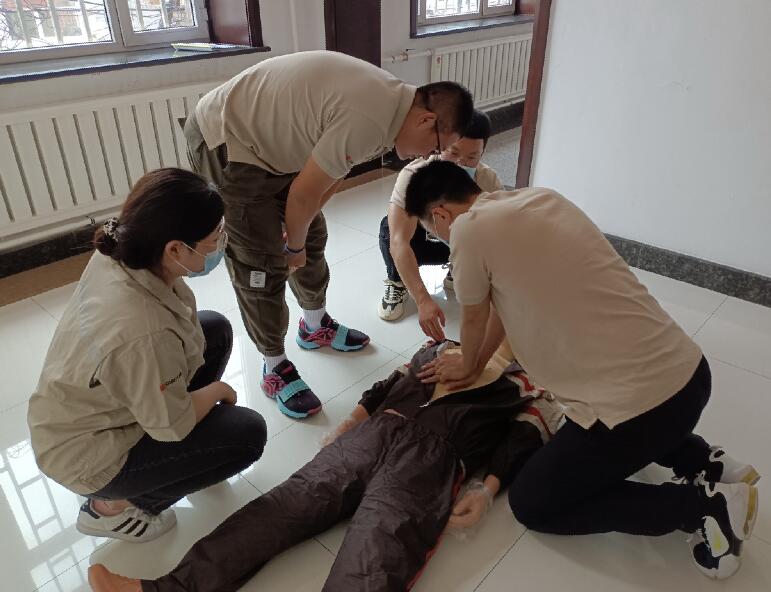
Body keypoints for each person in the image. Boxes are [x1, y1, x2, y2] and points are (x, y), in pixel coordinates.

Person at [404, 160, 761, 580]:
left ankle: (704, 508)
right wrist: (476, 362)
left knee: (533, 502)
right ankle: (706, 463)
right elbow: (499, 305)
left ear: (441, 216)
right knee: (610, 413)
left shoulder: (467, 231)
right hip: (689, 376)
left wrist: (465, 364)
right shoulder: (540, 198)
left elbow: (475, 317)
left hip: (646, 411)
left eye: (433, 231)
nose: (441, 238)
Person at [87, 340, 563, 592]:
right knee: (282, 507)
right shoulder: (438, 347)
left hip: (432, 461)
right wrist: (349, 425)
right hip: (374, 434)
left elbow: (522, 440)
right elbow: (385, 388)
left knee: (381, 545)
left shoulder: (530, 387)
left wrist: (485, 489)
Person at [183, 50, 474, 419]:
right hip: (229, 139)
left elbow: (329, 179)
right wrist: (292, 247)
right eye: (435, 147)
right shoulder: (370, 118)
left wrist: (300, 237)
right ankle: (273, 366)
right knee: (261, 261)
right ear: (426, 120)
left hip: (272, 142)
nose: (429, 155)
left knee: (312, 232)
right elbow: (302, 196)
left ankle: (314, 325)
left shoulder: (391, 114)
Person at [27, 168, 267, 543]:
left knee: (215, 331)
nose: (220, 245)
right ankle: (114, 508)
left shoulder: (121, 250)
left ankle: (187, 458)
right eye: (214, 239)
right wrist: (218, 390)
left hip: (83, 408)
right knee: (248, 435)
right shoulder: (143, 331)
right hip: (90, 455)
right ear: (175, 249)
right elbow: (171, 423)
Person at [378, 109, 504, 335]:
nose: (460, 164)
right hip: (423, 244)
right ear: (440, 144)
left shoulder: (488, 181)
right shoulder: (414, 175)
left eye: (471, 157)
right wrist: (423, 299)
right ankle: (397, 282)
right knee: (389, 228)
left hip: (459, 246)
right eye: (453, 153)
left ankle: (458, 268)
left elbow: (498, 241)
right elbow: (399, 241)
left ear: (482, 153)